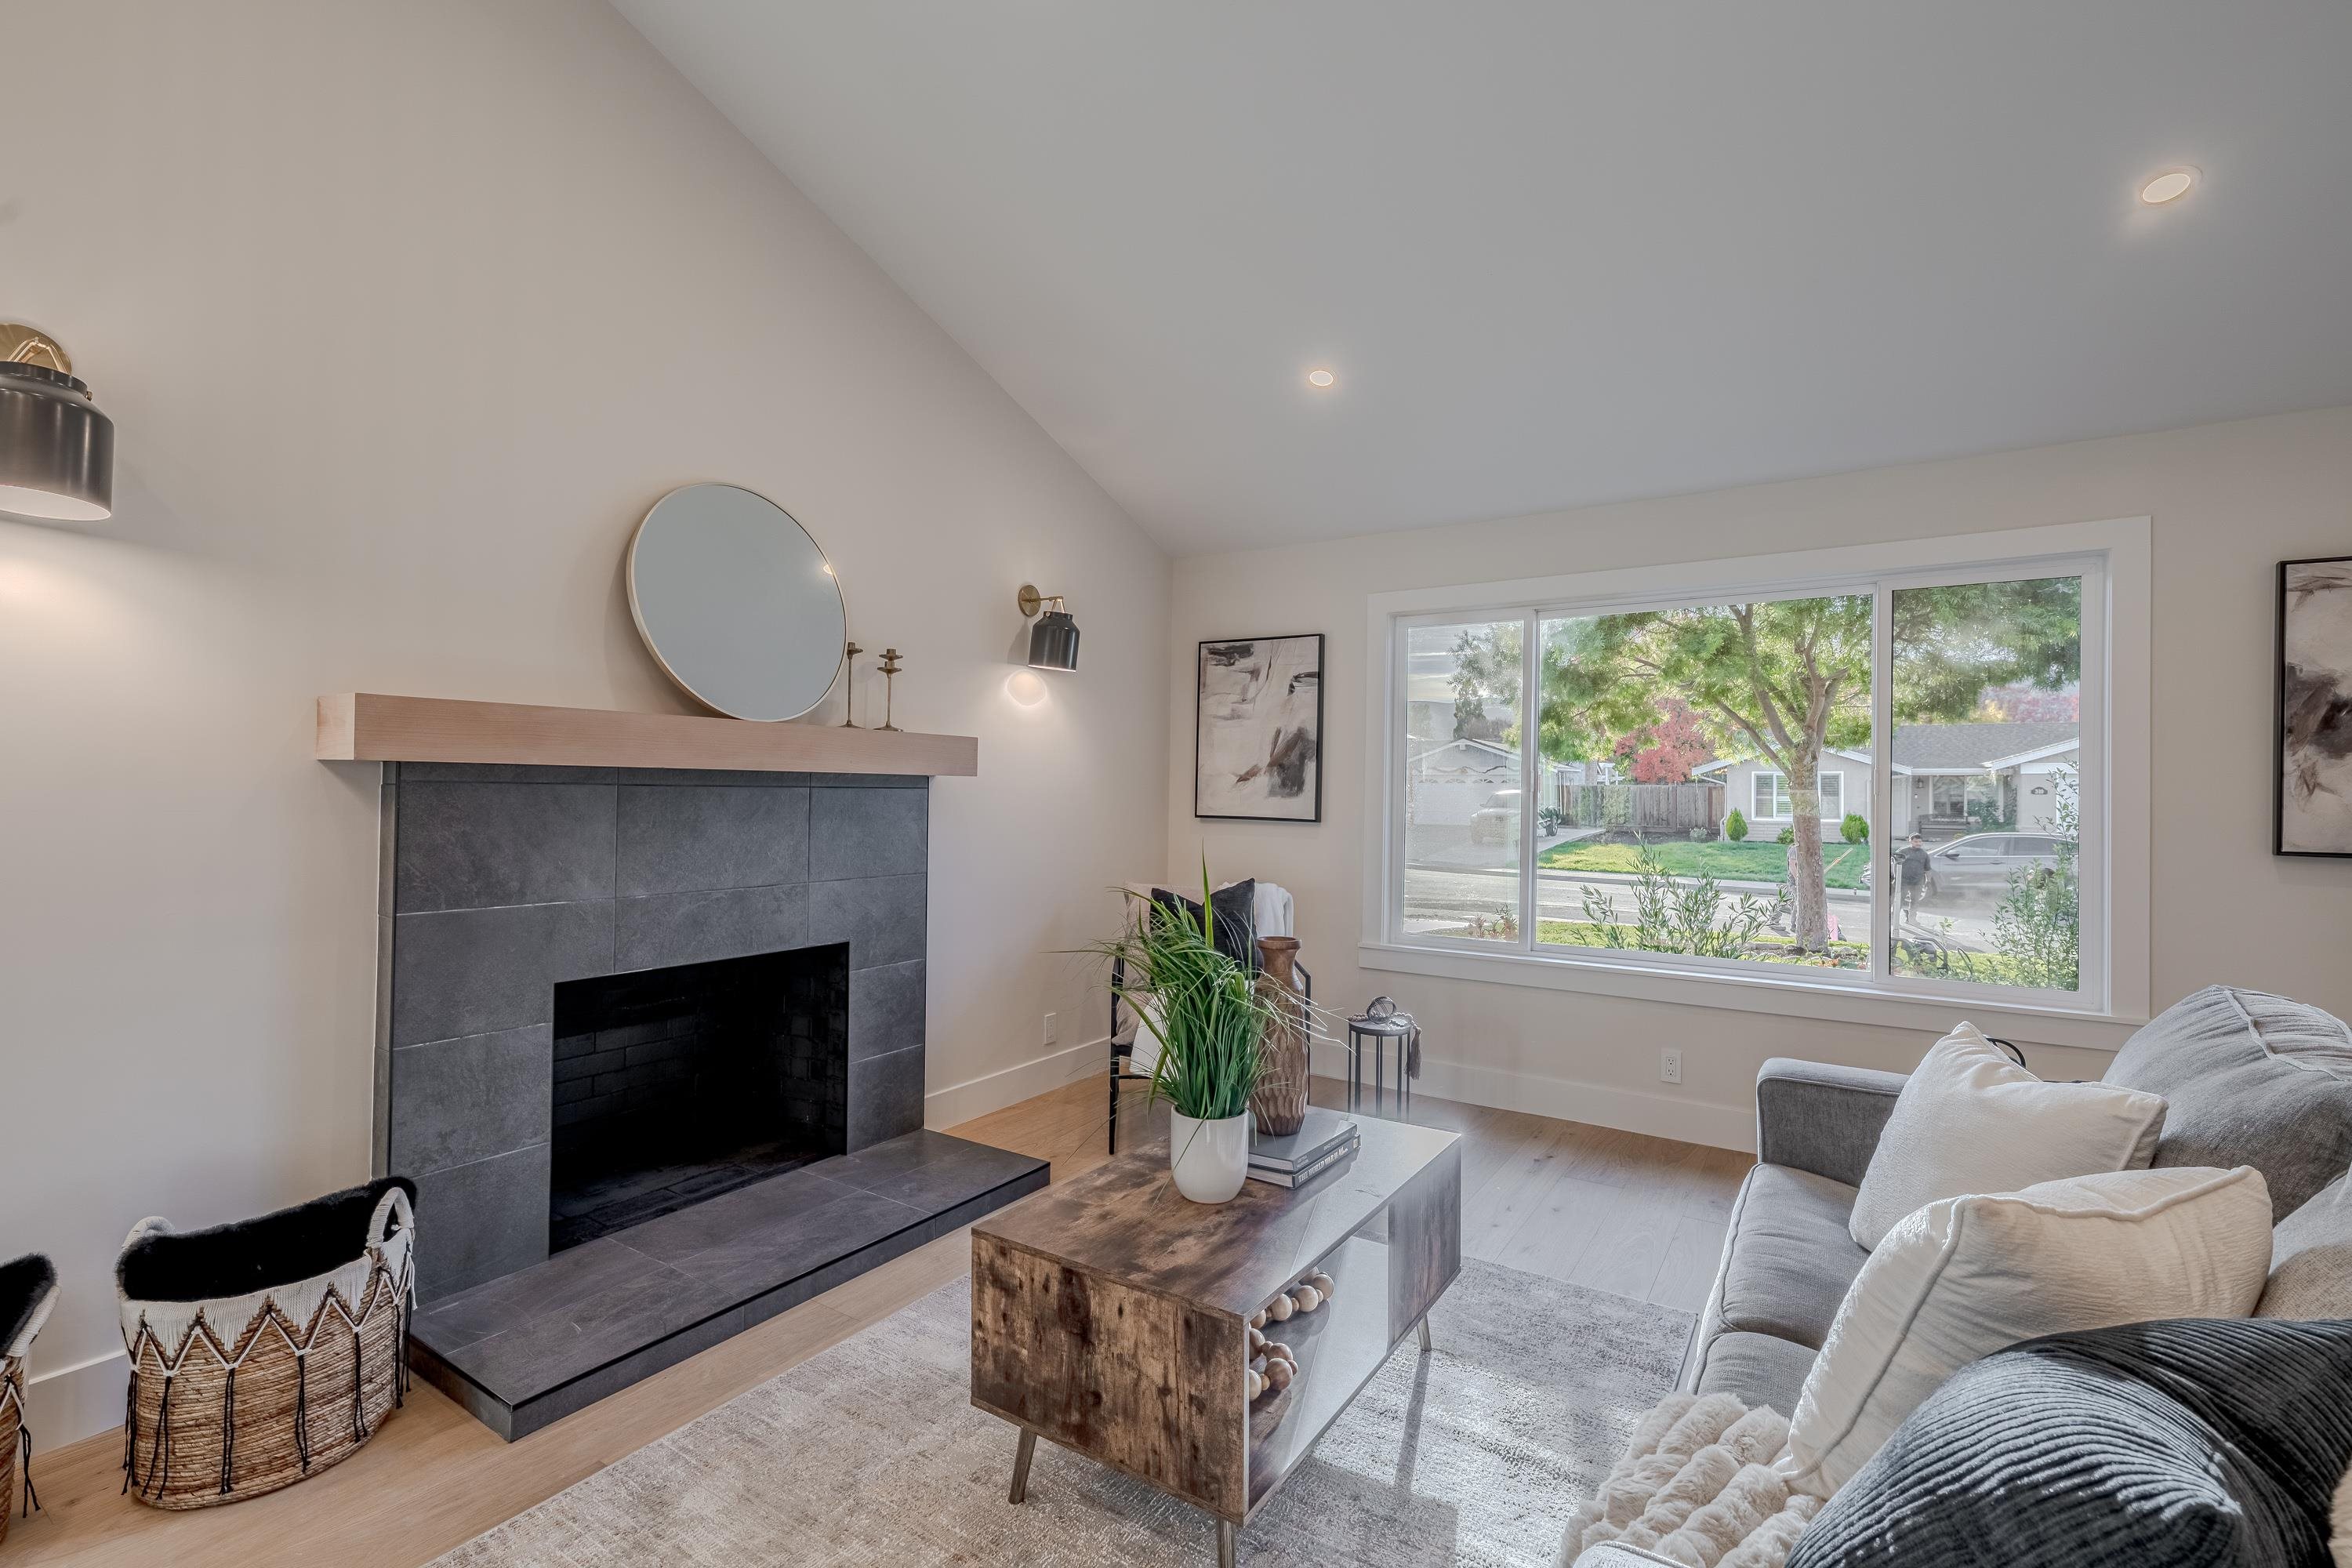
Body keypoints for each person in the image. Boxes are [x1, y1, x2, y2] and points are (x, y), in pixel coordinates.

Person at [1894, 833, 1933, 922]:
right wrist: (1896, 877)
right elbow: (1895, 865)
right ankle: (1894, 918)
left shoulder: (1924, 854)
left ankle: (1912, 919)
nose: (1918, 843)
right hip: (1904, 881)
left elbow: (1928, 869)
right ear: (1910, 841)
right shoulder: (1903, 851)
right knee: (1899, 900)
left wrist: (1928, 881)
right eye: (1916, 842)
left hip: (1918, 882)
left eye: (1920, 841)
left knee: (1915, 901)